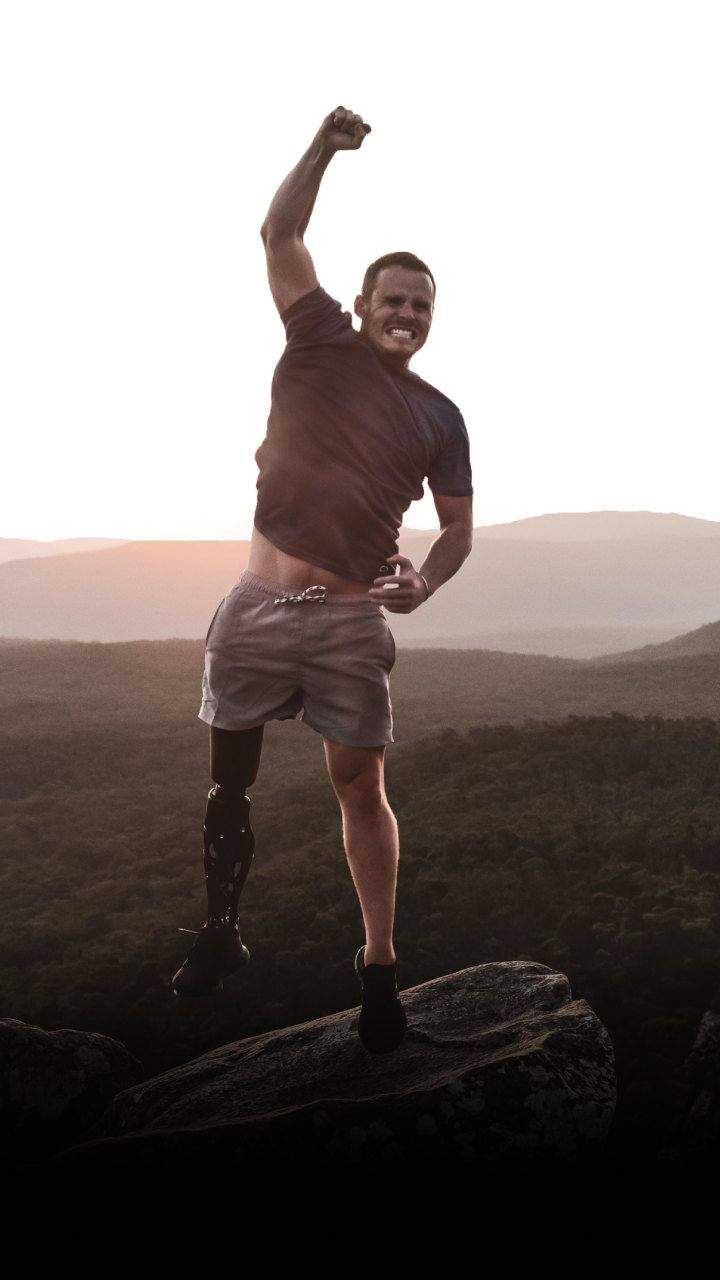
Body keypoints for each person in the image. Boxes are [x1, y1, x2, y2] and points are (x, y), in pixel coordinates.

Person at [172, 107, 473, 1054]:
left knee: (359, 785)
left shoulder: (440, 417)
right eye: (395, 299)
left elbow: (459, 530)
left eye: (422, 306)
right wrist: (322, 149)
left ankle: (378, 968)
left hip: (346, 618)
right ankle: (222, 933)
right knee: (230, 781)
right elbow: (279, 233)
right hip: (257, 605)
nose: (407, 315)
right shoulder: (315, 337)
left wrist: (426, 582)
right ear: (362, 300)